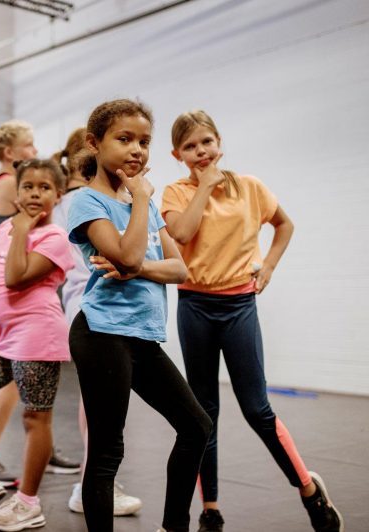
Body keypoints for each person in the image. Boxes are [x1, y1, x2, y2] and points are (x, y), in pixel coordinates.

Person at [161, 110, 343, 532]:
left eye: (206, 141)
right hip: (195, 307)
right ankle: (211, 509)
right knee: (204, 413)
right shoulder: (175, 192)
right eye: (190, 146)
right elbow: (183, 235)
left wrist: (270, 266)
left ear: (219, 142)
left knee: (257, 409)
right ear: (177, 154)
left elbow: (284, 224)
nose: (200, 152)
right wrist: (204, 188)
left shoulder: (251, 188)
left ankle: (310, 492)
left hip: (239, 306)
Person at [66, 98, 212, 532]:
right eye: (124, 139)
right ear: (95, 143)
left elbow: (178, 268)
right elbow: (126, 253)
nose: (137, 150)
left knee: (196, 427)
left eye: (144, 142)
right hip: (101, 334)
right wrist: (142, 202)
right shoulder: (87, 202)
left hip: (141, 338)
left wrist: (139, 266)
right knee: (108, 451)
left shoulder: (137, 200)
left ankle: (174, 526)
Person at [0, 158, 74, 531]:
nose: (34, 193)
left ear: (57, 196)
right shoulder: (5, 230)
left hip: (36, 335)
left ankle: (28, 503)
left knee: (35, 416)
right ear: (17, 191)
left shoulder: (55, 237)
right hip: (3, 338)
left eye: (44, 188)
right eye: (28, 186)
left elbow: (14, 278)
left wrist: (24, 229)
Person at [50, 127, 143, 517]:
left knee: (94, 401)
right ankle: (92, 481)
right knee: (99, 403)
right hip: (90, 305)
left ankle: (92, 479)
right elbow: (125, 255)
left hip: (89, 305)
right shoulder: (81, 202)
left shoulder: (82, 201)